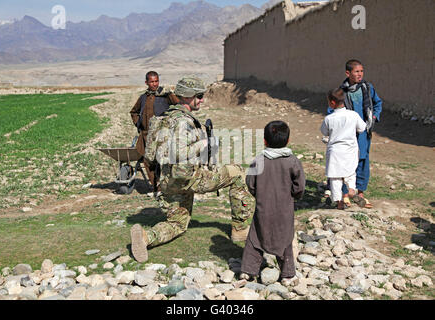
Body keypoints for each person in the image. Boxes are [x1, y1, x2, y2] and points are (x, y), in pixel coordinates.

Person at [130, 77, 255, 262]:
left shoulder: (162, 118)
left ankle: (146, 237)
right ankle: (240, 229)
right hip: (189, 178)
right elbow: (180, 152)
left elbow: (149, 156)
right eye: (199, 95)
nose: (202, 99)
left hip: (167, 181)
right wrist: (205, 143)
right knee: (237, 173)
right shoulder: (183, 122)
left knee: (178, 224)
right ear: (188, 97)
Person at [239, 121, 305, 284]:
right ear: (288, 141)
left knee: (255, 238)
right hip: (284, 210)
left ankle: (248, 271)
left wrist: (259, 195)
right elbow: (300, 186)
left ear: (265, 141)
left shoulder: (259, 160)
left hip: (263, 208)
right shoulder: (292, 161)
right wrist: (293, 196)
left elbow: (250, 183)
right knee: (285, 238)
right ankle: (288, 274)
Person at [328, 59, 382, 208]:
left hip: (364, 133)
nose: (360, 74)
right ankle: (345, 194)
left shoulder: (367, 88)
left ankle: (360, 192)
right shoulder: (341, 91)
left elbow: (377, 103)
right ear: (348, 73)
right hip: (347, 135)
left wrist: (374, 117)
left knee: (363, 160)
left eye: (362, 71)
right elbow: (332, 111)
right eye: (356, 71)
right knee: (346, 161)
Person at [129, 71, 179, 191]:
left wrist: (170, 92)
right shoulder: (143, 98)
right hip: (146, 135)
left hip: (163, 134)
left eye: (156, 81)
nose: (154, 84)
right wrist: (139, 123)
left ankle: (166, 185)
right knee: (148, 161)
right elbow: (133, 112)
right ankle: (156, 186)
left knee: (162, 160)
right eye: (151, 81)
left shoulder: (164, 95)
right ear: (146, 82)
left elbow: (178, 103)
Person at [321, 89, 367, 210]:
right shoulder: (353, 115)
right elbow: (362, 128)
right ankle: (352, 190)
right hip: (350, 150)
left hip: (335, 151)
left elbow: (324, 131)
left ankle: (339, 202)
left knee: (335, 177)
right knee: (351, 172)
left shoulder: (329, 118)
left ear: (332, 103)